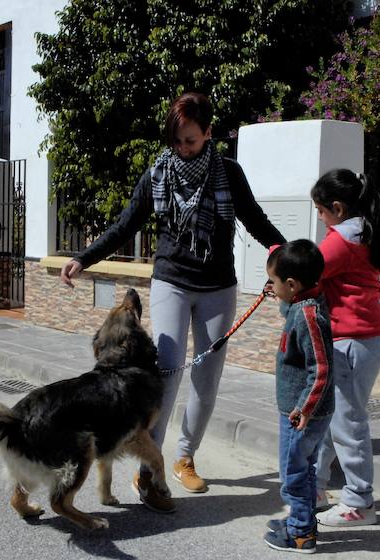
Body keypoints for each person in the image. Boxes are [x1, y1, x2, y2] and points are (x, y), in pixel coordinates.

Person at [60, 91, 285, 512]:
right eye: (178, 141)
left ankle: (184, 457)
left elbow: (255, 220)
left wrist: (285, 256)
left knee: (207, 378)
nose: (183, 148)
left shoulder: (228, 173)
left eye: (191, 141)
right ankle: (149, 469)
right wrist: (83, 258)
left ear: (208, 133)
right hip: (171, 282)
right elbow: (126, 224)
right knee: (165, 376)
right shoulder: (158, 173)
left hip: (218, 286)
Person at [310, 169, 380, 527]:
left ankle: (359, 502)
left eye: (321, 210)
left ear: (338, 208)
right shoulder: (370, 234)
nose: (319, 217)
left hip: (353, 340)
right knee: (333, 417)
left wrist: (279, 264)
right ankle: (315, 487)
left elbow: (309, 270)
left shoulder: (341, 241)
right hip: (368, 336)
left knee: (347, 421)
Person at [262, 239, 334, 553]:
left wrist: (305, 408)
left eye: (274, 281)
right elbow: (289, 306)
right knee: (303, 468)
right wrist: (277, 294)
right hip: (302, 411)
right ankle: (301, 521)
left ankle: (300, 534)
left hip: (302, 414)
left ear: (292, 285)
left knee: (293, 473)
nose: (272, 286)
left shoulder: (308, 317)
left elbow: (321, 368)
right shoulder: (303, 303)